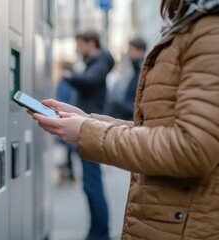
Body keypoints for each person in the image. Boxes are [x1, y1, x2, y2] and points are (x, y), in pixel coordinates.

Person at [28, 0, 219, 239]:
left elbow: (193, 148)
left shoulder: (209, 29)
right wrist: (88, 120)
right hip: (169, 219)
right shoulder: (194, 24)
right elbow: (154, 129)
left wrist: (87, 131)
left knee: (93, 187)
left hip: (180, 224)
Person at [61, 30, 115, 240]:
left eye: (80, 45)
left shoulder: (100, 62)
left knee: (93, 185)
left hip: (90, 129)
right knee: (90, 184)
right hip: (87, 128)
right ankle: (98, 231)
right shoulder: (96, 62)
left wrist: (69, 76)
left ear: (91, 43)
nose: (77, 49)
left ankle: (99, 233)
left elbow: (89, 81)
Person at [105, 38, 147, 120]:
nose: (128, 54)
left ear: (140, 51)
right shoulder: (137, 69)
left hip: (133, 112)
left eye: (131, 51)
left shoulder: (143, 70)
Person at [55, 61, 76, 182]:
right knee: (68, 148)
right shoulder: (74, 80)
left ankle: (65, 171)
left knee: (65, 145)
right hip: (72, 114)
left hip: (63, 115)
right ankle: (70, 173)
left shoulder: (64, 81)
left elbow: (61, 97)